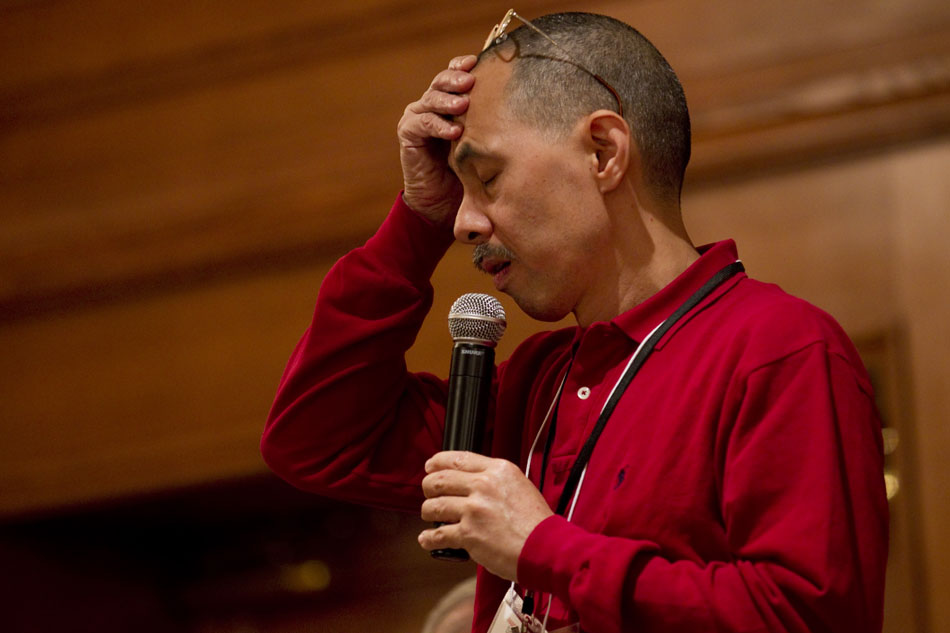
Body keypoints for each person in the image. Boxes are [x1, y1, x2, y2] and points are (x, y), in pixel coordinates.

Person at [262, 11, 888, 633]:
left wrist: (544, 549)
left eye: (487, 178)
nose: (465, 224)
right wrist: (416, 220)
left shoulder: (778, 347)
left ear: (603, 152)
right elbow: (316, 441)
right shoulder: (538, 381)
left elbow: (805, 616)